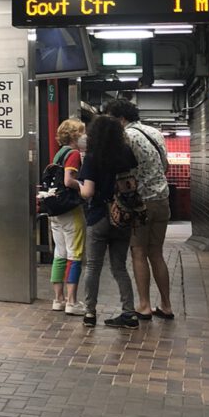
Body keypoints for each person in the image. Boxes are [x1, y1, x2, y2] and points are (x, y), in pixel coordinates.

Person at [104, 98, 174, 320]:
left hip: (140, 203)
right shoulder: (155, 133)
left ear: (121, 118)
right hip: (162, 199)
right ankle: (166, 305)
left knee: (138, 252)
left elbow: (121, 171)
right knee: (157, 253)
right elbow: (166, 166)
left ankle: (143, 305)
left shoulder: (127, 137)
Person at [77, 114, 139, 328]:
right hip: (122, 215)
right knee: (119, 267)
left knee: (93, 267)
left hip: (99, 216)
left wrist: (77, 185)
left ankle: (90, 313)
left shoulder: (93, 156)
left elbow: (88, 191)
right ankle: (129, 313)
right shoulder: (126, 154)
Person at [46, 119, 87, 315]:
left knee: (59, 254)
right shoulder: (73, 154)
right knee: (75, 255)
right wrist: (84, 187)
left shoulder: (59, 153)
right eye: (82, 132)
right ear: (74, 136)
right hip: (70, 210)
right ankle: (72, 302)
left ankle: (58, 299)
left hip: (55, 210)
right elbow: (68, 180)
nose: (84, 136)